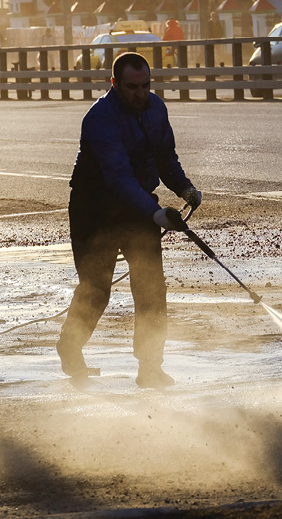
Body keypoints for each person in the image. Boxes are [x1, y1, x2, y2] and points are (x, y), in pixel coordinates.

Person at [57, 51, 202, 388]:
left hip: (137, 206)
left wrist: (185, 188)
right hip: (94, 209)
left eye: (145, 86)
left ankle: (150, 367)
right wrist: (154, 213)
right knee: (96, 289)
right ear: (114, 84)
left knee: (151, 287)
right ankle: (70, 347)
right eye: (132, 87)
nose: (140, 93)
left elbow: (166, 160)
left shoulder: (155, 109)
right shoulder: (100, 118)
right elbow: (118, 177)